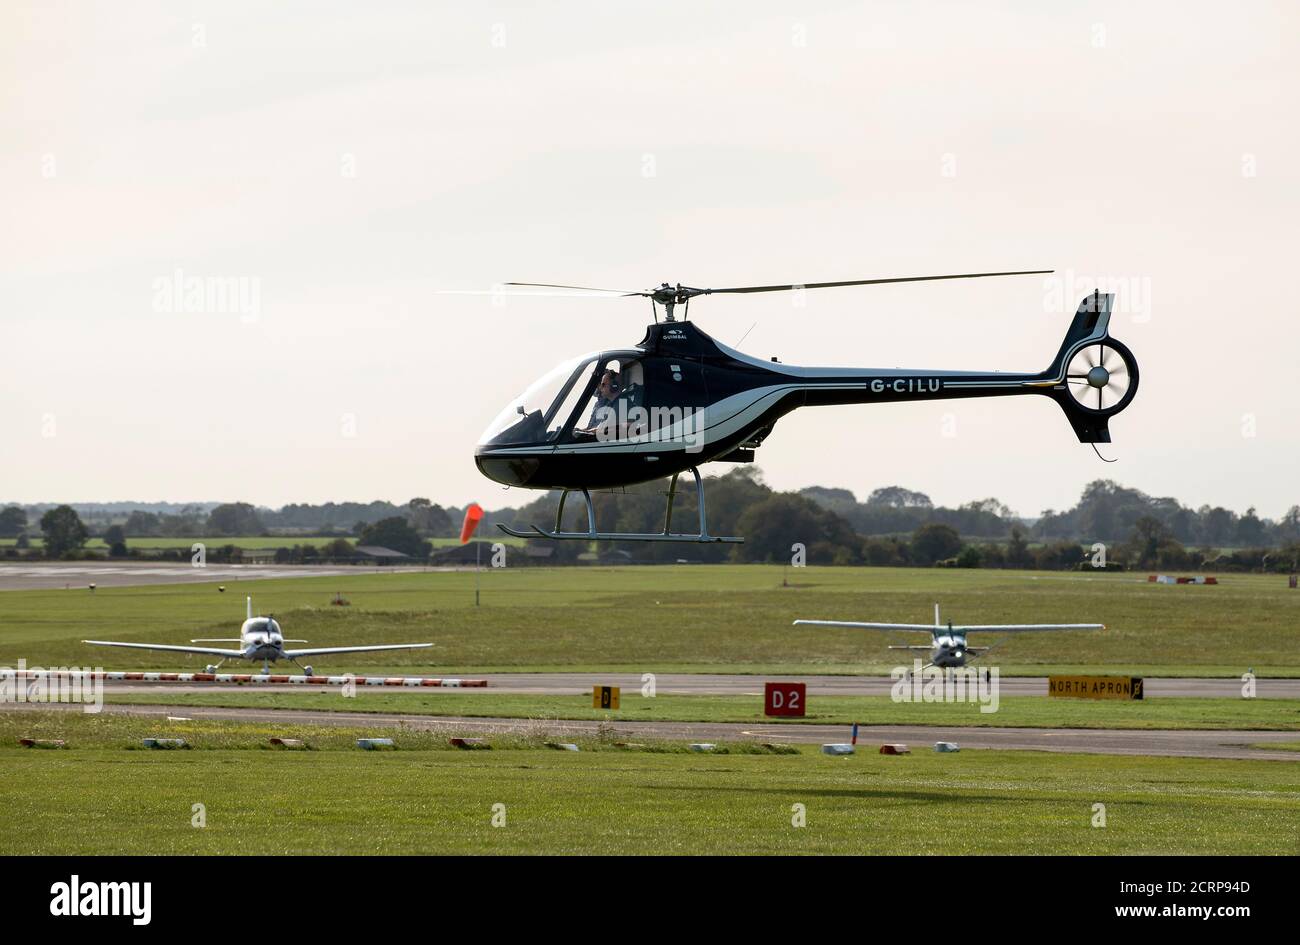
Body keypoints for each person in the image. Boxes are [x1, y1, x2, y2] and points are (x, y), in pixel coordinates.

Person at [582, 369, 621, 434]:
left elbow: (603, 429)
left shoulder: (613, 405)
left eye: (596, 384)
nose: (593, 387)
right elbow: (590, 427)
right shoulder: (597, 404)